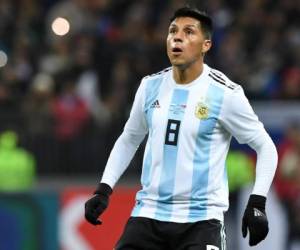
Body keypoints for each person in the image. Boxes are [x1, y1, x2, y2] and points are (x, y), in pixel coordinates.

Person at [84, 6, 278, 250]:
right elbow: (129, 139)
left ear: (206, 44)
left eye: (189, 32)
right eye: (173, 31)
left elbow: (266, 147)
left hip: (201, 221)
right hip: (149, 214)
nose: (177, 37)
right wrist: (104, 189)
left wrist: (257, 202)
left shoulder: (225, 94)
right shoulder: (149, 87)